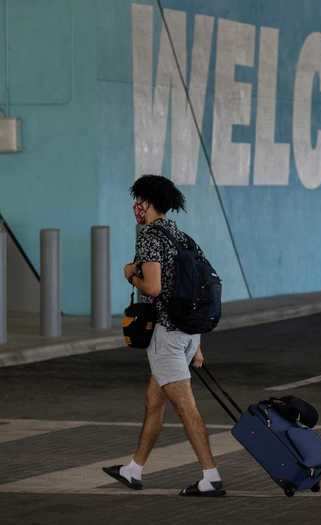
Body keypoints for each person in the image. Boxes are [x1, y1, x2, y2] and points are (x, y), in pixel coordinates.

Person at [102, 174, 225, 497]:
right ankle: (134, 469)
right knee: (153, 403)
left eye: (138, 200)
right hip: (187, 333)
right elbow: (196, 289)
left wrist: (131, 274)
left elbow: (153, 288)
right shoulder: (181, 236)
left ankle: (210, 477)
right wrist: (196, 345)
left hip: (167, 336)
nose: (135, 206)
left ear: (147, 202)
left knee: (186, 409)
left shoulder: (150, 237)